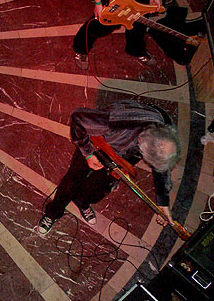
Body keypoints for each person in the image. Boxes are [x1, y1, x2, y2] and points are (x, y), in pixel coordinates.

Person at [37, 101, 180, 235]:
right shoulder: (117, 121)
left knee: (102, 186)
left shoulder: (165, 131)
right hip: (98, 145)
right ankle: (53, 212)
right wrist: (88, 154)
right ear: (141, 142)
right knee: (74, 179)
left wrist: (163, 203)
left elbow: (161, 164)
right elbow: (78, 117)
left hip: (122, 156)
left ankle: (82, 201)